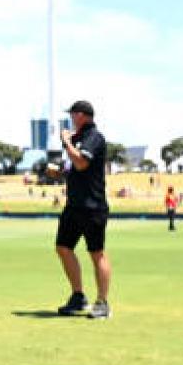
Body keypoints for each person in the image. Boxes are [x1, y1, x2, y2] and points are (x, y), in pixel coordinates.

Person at [51, 100, 112, 320]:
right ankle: (78, 296)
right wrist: (57, 171)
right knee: (63, 247)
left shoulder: (94, 138)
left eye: (73, 114)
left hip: (93, 207)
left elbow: (82, 163)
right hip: (74, 205)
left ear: (82, 115)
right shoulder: (77, 139)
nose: (71, 119)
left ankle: (103, 302)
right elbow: (73, 169)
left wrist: (67, 143)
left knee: (96, 253)